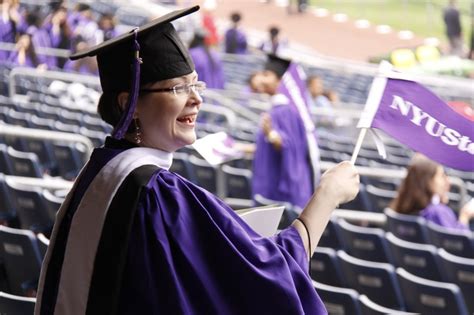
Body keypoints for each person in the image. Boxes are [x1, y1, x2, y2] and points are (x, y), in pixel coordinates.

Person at [35, 6, 359, 315]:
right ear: (129, 103)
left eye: (195, 84)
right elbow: (272, 275)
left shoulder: (100, 170)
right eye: (178, 87)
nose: (197, 98)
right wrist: (328, 195)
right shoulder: (158, 194)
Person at [252, 55, 321, 221]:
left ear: (280, 81)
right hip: (272, 184)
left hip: (279, 189)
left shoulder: (285, 111)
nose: (261, 79)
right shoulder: (278, 108)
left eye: (267, 74)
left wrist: (272, 135)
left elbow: (287, 144)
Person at [390, 154, 473, 231]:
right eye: (441, 176)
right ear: (428, 182)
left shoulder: (398, 209)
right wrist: (464, 217)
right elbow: (457, 244)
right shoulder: (437, 212)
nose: (447, 181)